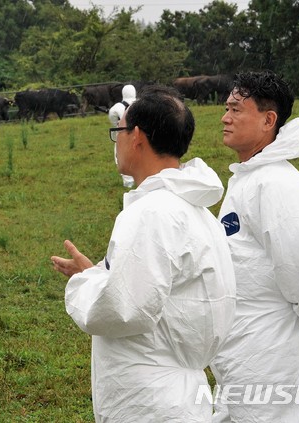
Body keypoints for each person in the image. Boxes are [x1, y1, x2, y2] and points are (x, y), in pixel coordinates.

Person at [51, 85, 236, 422]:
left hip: (149, 399)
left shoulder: (152, 213)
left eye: (117, 131)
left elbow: (123, 311)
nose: (116, 142)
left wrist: (84, 282)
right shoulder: (194, 210)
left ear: (136, 136)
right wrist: (98, 273)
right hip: (177, 391)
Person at [209, 71, 299, 423]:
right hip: (240, 341)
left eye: (236, 109)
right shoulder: (247, 178)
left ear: (268, 120)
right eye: (226, 108)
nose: (225, 117)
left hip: (269, 346)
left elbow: (297, 266)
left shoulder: (278, 184)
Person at [108, 84, 137, 187]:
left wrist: (118, 124)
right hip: (140, 134)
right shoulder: (141, 104)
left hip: (124, 135)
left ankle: (128, 182)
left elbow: (112, 118)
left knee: (122, 156)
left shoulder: (117, 107)